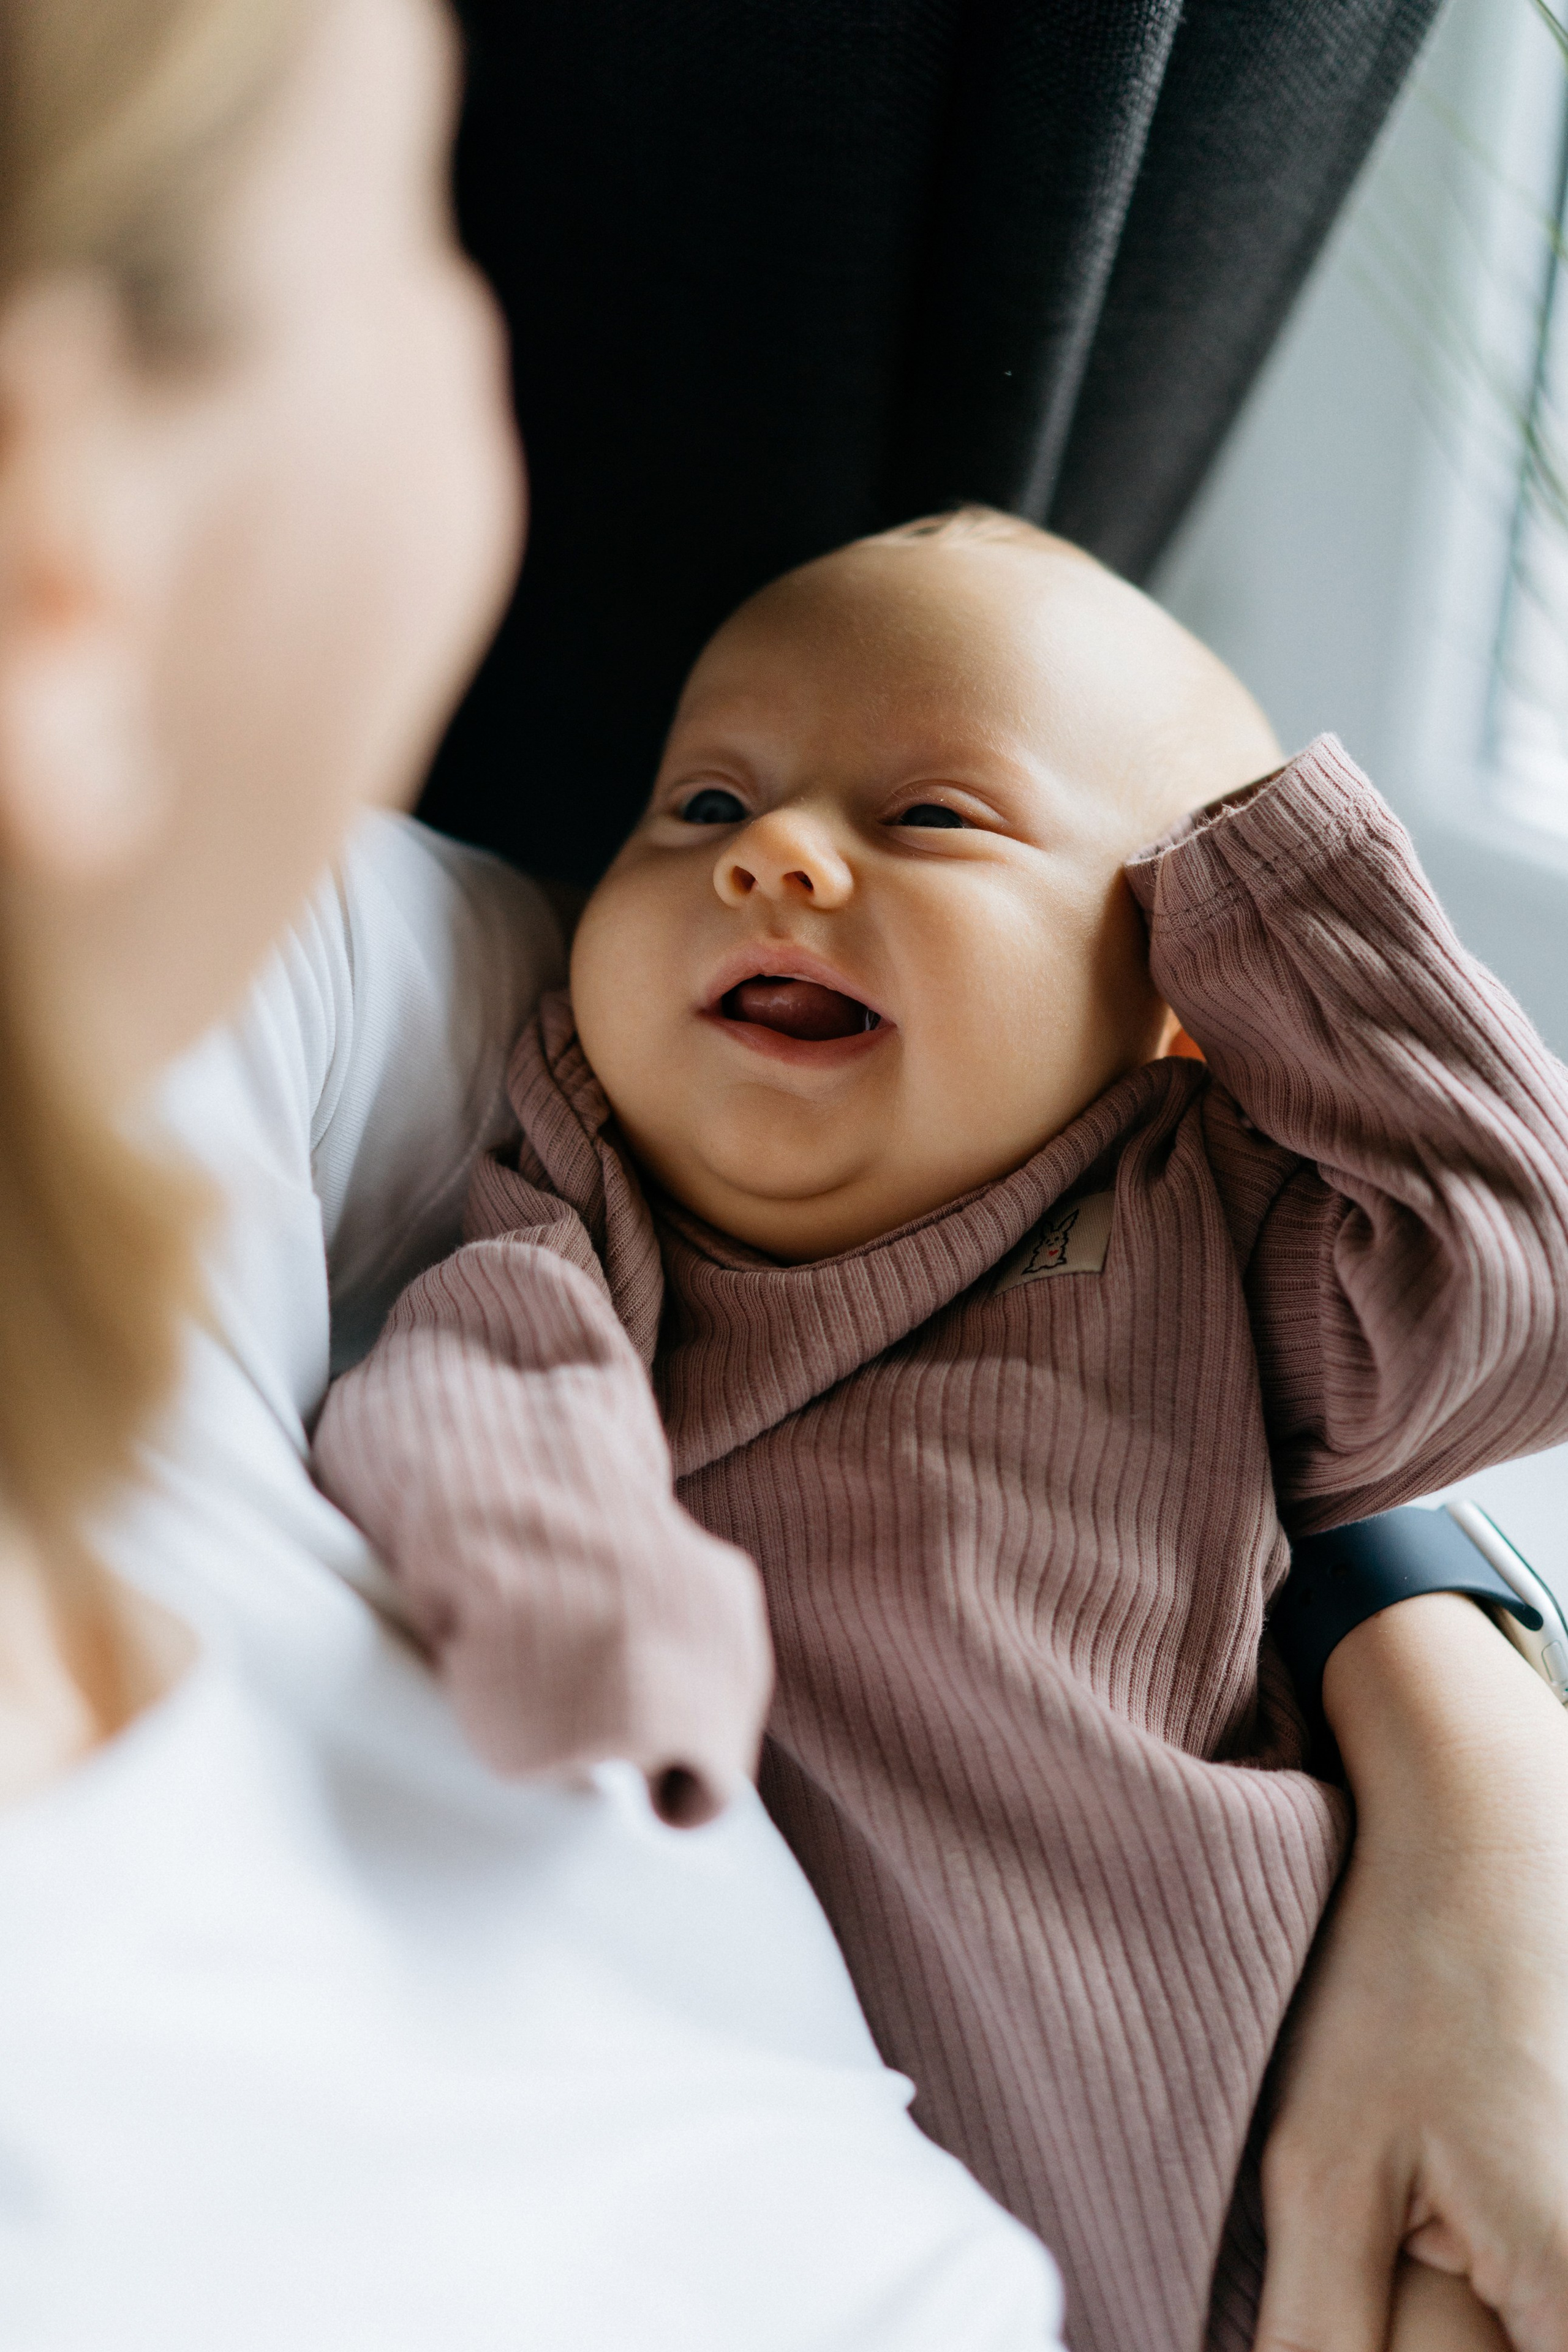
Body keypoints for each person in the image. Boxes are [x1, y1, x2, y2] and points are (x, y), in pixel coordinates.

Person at [0, 8, 1067, 2346]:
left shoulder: (182, 1013)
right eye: (417, 221)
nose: (774, 874)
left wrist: (1457, 1723)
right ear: (74, 547)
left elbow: (1063, 1138)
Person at [317, 510, 1568, 2352]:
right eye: (704, 806)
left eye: (933, 819)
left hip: (1314, 2124)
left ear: (1173, 997)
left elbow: (1513, 1290)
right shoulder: (582, 1207)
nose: (774, 862)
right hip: (900, 2214)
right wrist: (596, 1623)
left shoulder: (1214, 1234)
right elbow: (475, 1392)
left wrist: (1290, 892)